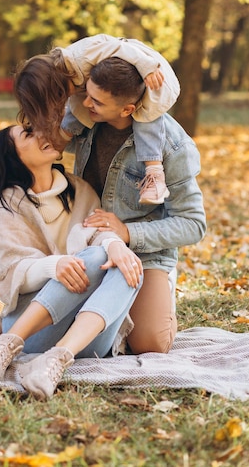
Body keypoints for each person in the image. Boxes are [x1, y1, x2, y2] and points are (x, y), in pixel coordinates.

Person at [0, 124, 144, 400]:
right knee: (99, 256)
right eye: (28, 134)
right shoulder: (9, 203)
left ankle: (56, 360)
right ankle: (6, 344)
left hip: (87, 338)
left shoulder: (80, 191)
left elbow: (99, 233)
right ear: (12, 156)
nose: (41, 133)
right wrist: (55, 265)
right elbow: (9, 272)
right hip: (32, 333)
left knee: (130, 264)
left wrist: (115, 246)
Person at [61, 56, 206, 354]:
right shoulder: (86, 122)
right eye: (86, 94)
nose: (86, 104)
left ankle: (158, 292)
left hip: (145, 253)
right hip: (87, 243)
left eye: (97, 102)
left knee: (149, 343)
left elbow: (194, 224)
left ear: (128, 109)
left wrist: (127, 232)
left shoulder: (173, 146)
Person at [14, 34, 180, 205]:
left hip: (150, 75)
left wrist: (147, 68)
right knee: (75, 113)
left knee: (146, 120)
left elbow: (122, 49)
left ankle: (154, 174)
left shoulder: (84, 54)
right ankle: (57, 145)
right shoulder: (67, 76)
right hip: (109, 80)